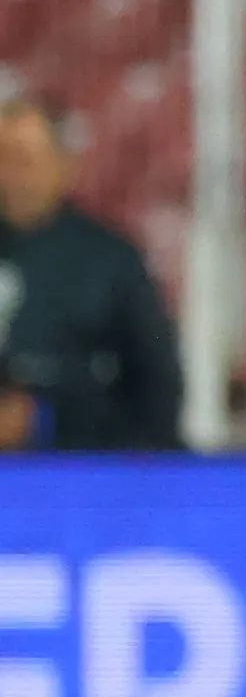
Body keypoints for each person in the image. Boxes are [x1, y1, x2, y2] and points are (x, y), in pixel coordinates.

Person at [0, 77, 182, 451]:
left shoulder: (113, 261)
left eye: (25, 159)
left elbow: (157, 391)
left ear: (64, 165)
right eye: (1, 158)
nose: (10, 175)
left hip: (85, 474)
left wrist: (46, 420)